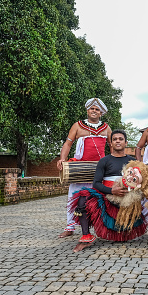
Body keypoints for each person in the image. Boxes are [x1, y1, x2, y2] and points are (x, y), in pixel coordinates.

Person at [72, 129, 146, 252]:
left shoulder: (133, 162)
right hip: (106, 196)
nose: (118, 141)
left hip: (127, 199)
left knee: (121, 237)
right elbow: (96, 183)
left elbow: (140, 182)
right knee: (83, 197)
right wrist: (111, 191)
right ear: (110, 143)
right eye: (115, 139)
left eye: (120, 139)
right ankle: (86, 236)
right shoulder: (104, 161)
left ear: (126, 143)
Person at [56, 98, 112, 238]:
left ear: (101, 113)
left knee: (102, 198)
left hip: (100, 169)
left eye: (97, 109)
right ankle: (70, 227)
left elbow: (112, 147)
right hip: (80, 167)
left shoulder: (106, 128)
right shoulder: (78, 126)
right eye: (92, 108)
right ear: (87, 110)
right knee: (74, 197)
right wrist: (62, 159)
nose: (94, 111)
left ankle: (103, 226)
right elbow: (68, 144)